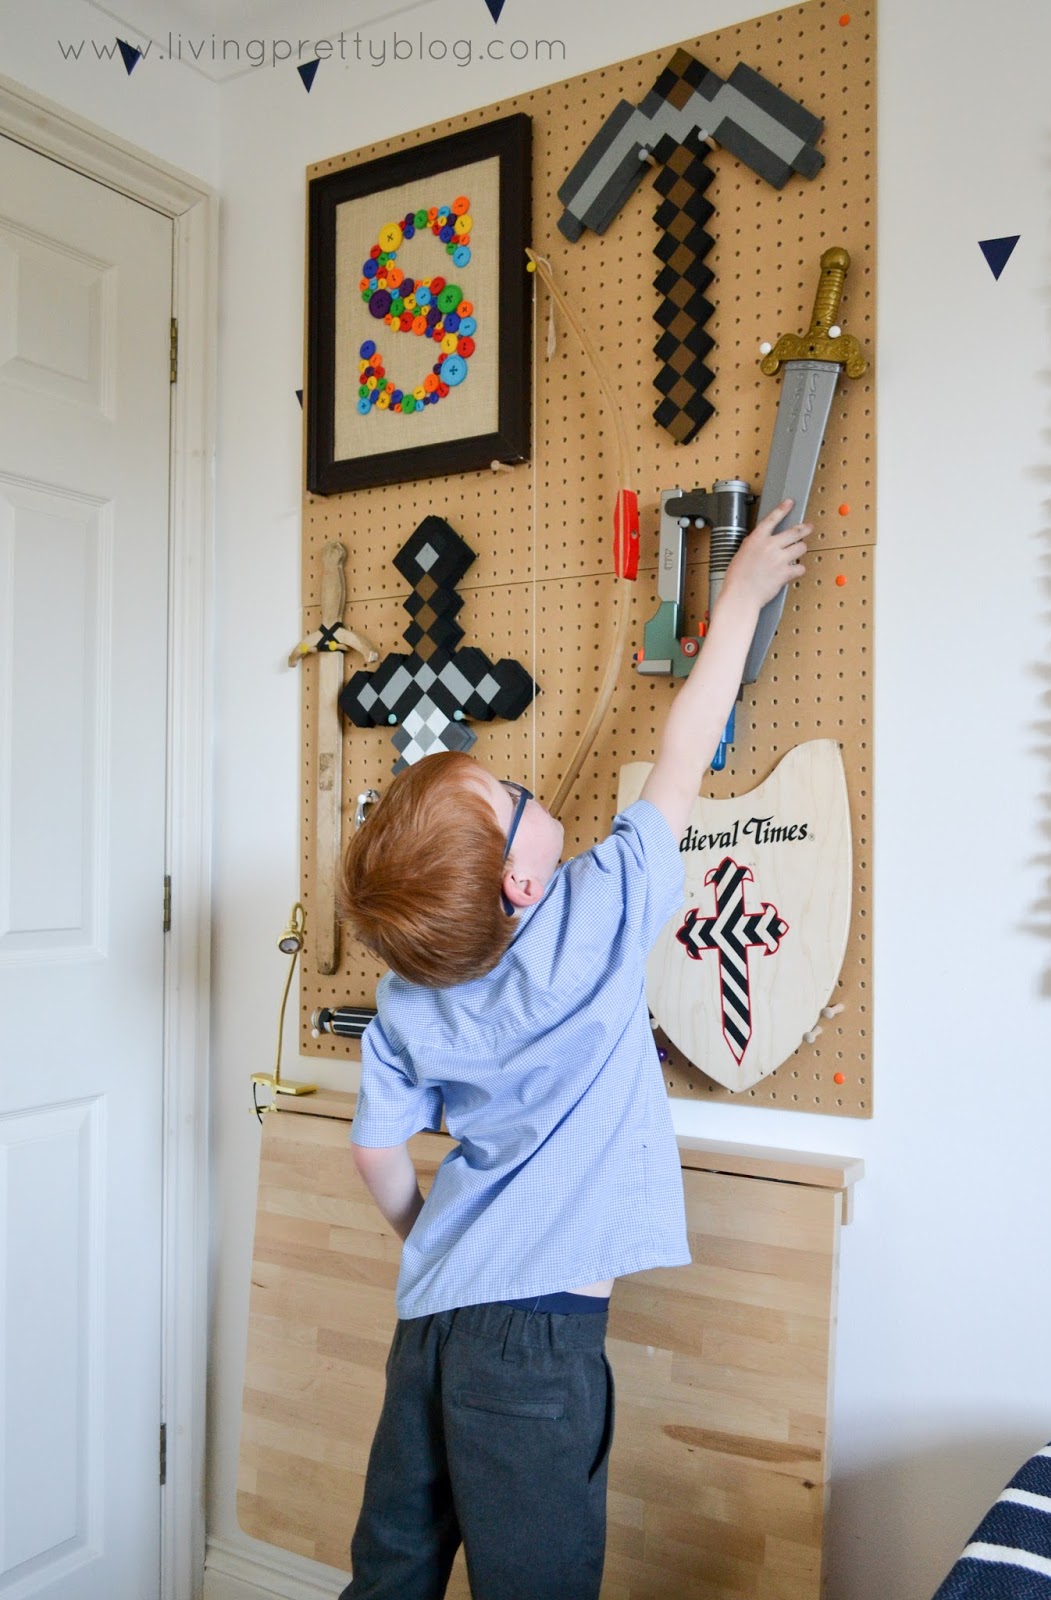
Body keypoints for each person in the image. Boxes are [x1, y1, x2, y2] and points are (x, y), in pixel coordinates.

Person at [335, 499, 809, 1600]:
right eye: (510, 795)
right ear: (520, 877)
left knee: (393, 1570)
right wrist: (741, 595)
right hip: (538, 1345)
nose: (521, 785)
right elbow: (684, 752)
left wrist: (435, 1235)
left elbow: (373, 1152)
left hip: (431, 1320)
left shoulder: (406, 1001)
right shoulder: (598, 911)